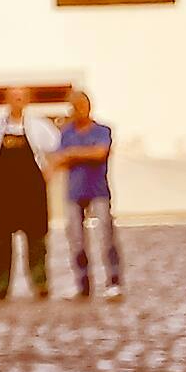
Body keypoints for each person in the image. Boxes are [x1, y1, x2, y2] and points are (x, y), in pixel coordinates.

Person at [52, 92, 123, 302]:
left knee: (106, 237)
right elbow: (59, 158)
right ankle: (83, 284)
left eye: (83, 105)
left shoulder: (102, 130)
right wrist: (80, 154)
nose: (80, 110)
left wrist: (72, 154)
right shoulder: (67, 133)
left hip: (98, 190)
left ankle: (114, 281)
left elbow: (100, 153)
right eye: (76, 106)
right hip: (75, 191)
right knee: (76, 239)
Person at [0, 103, 52, 302]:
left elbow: (58, 148)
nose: (17, 102)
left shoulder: (38, 125)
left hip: (32, 194)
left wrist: (50, 172)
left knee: (37, 242)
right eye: (13, 97)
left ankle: (40, 284)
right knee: (1, 242)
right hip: (4, 195)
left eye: (21, 97)